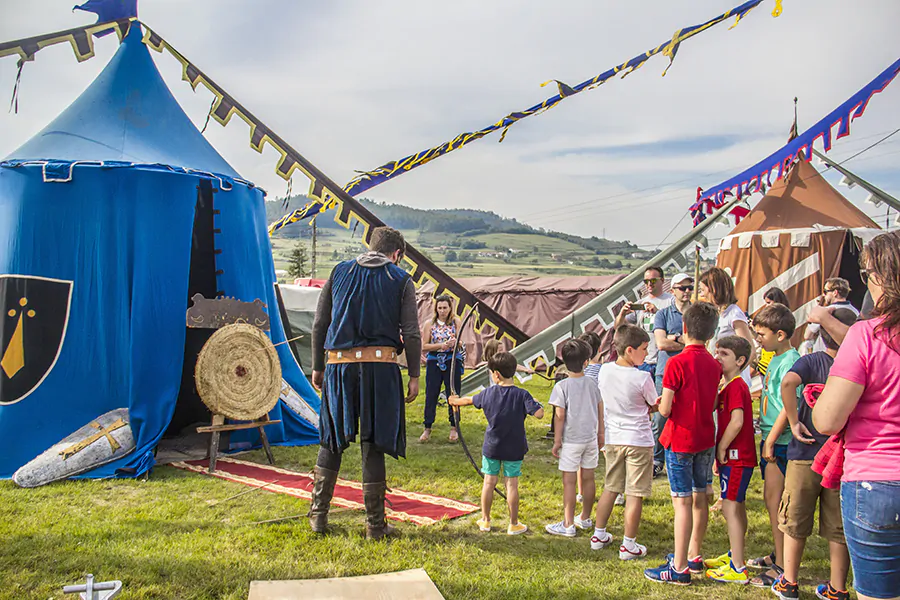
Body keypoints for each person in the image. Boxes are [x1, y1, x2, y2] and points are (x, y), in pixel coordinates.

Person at [309, 226, 421, 540]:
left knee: (330, 440)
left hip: (338, 368)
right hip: (380, 369)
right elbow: (411, 332)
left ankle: (318, 518)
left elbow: (320, 322)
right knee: (372, 444)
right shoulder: (401, 280)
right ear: (396, 255)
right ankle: (375, 526)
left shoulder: (339, 271)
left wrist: (317, 367)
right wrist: (414, 374)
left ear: (370, 246)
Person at [813, 231, 900, 600]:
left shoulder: (867, 335)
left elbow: (827, 419)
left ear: (883, 276)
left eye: (867, 275)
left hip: (877, 481)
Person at [771, 308, 858, 600]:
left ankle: (790, 582)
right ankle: (838, 588)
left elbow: (787, 383)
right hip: (841, 457)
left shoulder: (812, 361)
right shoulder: (858, 364)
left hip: (805, 452)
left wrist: (795, 422)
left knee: (794, 520)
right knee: (838, 528)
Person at [644, 302, 722, 585]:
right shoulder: (715, 365)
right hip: (705, 437)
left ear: (684, 328)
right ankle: (694, 555)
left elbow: (665, 410)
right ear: (711, 334)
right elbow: (713, 401)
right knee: (700, 497)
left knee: (682, 503)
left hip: (679, 438)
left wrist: (657, 406)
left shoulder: (676, 363)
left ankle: (678, 568)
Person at [449, 351, 544, 535]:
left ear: (496, 374)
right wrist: (536, 405)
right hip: (514, 448)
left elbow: (469, 400)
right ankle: (514, 524)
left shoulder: (488, 393)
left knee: (489, 482)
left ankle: (485, 521)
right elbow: (539, 414)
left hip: (492, 446)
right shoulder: (522, 395)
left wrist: (455, 401)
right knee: (511, 484)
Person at [591, 325, 658, 560]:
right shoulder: (642, 377)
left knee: (611, 487)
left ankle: (599, 534)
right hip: (638, 439)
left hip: (613, 438)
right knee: (635, 493)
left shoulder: (605, 371)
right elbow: (654, 403)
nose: (646, 354)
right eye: (643, 349)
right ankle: (628, 543)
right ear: (630, 350)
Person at [746, 303, 800, 588]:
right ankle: (778, 552)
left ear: (780, 334)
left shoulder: (790, 360)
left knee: (776, 502)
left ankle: (782, 564)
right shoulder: (776, 356)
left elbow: (788, 407)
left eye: (761, 334)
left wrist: (770, 439)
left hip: (779, 441)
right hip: (772, 437)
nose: (758, 339)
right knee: (772, 501)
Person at [704, 336, 756, 584]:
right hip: (734, 458)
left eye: (724, 354)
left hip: (737, 457)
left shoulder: (736, 386)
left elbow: (737, 421)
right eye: (716, 352)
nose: (717, 357)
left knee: (730, 507)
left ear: (740, 360)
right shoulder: (727, 385)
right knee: (737, 506)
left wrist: (721, 447)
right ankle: (736, 554)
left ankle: (737, 568)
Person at [546, 339, 604, 538]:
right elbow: (600, 409)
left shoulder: (562, 386)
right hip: (590, 438)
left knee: (569, 482)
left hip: (571, 441)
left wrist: (557, 441)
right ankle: (586, 518)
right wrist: (601, 433)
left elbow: (559, 416)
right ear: (586, 361)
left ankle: (568, 523)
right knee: (588, 479)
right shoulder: (592, 383)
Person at [651, 273, 693, 477]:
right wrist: (684, 340)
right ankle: (657, 459)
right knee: (660, 418)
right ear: (673, 290)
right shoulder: (663, 314)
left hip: (691, 372)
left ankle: (682, 457)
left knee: (687, 417)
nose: (686, 291)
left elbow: (703, 342)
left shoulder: (697, 314)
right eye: (682, 288)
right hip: (665, 372)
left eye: (689, 287)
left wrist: (673, 337)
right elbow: (661, 344)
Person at [698, 267, 756, 386]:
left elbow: (750, 351)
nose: (702, 294)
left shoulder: (734, 314)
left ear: (714, 289)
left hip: (734, 381)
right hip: (718, 376)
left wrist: (733, 375)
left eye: (703, 290)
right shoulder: (717, 314)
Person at [420, 294, 464, 443]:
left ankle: (454, 426)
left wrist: (454, 342)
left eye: (445, 307)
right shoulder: (429, 324)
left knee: (453, 392)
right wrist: (440, 345)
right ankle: (427, 427)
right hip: (434, 361)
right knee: (431, 393)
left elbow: (461, 342)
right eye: (440, 308)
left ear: (450, 308)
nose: (443, 311)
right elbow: (424, 346)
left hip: (452, 360)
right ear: (436, 308)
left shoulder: (455, 321)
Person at [614, 266, 673, 375]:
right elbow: (619, 328)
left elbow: (675, 326)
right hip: (644, 361)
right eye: (646, 281)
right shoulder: (641, 303)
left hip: (665, 360)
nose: (649, 284)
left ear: (662, 280)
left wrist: (657, 312)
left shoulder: (671, 301)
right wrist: (622, 314)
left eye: (653, 280)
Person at [804, 278, 860, 354]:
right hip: (848, 354)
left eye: (825, 291)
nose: (823, 295)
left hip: (825, 357)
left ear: (835, 293)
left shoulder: (824, 312)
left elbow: (807, 336)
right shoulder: (856, 312)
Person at [757, 288, 790, 376]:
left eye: (769, 303)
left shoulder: (783, 320)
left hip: (776, 363)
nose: (766, 306)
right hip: (765, 364)